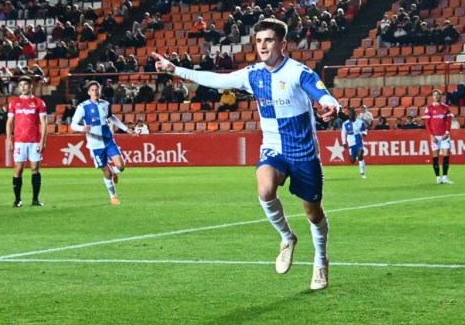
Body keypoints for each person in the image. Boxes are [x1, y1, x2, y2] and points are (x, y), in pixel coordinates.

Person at [152, 18, 338, 291]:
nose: (263, 45)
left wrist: (330, 104)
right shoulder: (253, 74)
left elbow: (321, 93)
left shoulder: (299, 73)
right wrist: (175, 69)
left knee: (313, 213)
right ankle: (287, 237)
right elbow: (216, 80)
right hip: (273, 147)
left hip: (303, 151)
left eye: (269, 40)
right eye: (259, 40)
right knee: (264, 190)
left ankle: (321, 261)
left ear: (282, 44)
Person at [70, 81, 138, 205]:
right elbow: (73, 124)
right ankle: (113, 196)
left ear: (100, 91)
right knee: (106, 172)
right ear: (89, 92)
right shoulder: (82, 106)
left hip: (108, 140)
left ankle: (114, 173)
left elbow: (111, 117)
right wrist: (82, 128)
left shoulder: (105, 104)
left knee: (121, 166)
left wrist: (126, 129)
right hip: (95, 144)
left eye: (97, 89)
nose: (95, 92)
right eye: (92, 90)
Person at [6, 76, 48, 207]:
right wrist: (8, 138)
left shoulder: (39, 102)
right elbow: (9, 122)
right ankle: (17, 200)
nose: (23, 87)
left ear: (31, 86)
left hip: (34, 141)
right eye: (21, 85)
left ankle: (35, 199)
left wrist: (43, 140)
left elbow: (44, 122)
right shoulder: (14, 103)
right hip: (19, 141)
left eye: (25, 84)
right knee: (18, 169)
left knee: (35, 168)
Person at [423, 89, 454, 184]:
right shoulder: (429, 109)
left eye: (438, 95)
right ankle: (438, 177)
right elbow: (427, 123)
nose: (436, 96)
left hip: (444, 136)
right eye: (434, 95)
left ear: (441, 96)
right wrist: (431, 135)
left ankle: (445, 176)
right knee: (435, 156)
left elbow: (449, 121)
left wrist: (447, 132)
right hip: (435, 136)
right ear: (432, 97)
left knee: (446, 156)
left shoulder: (446, 108)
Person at [341, 107, 368, 178]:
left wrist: (364, 134)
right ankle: (356, 156)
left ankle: (362, 173)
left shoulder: (360, 122)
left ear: (355, 114)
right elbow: (343, 133)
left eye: (352, 113)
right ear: (348, 115)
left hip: (359, 140)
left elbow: (364, 130)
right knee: (352, 161)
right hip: (351, 142)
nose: (351, 115)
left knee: (360, 155)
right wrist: (344, 143)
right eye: (350, 113)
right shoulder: (345, 124)